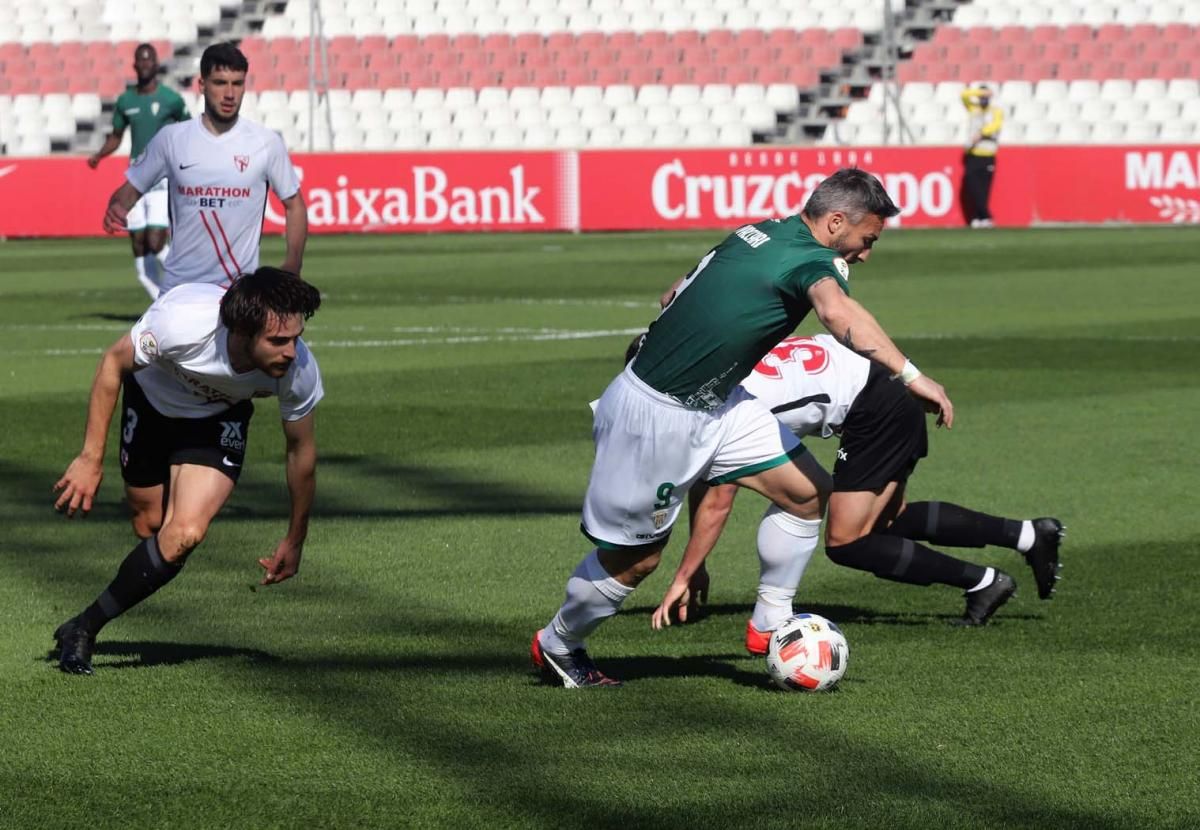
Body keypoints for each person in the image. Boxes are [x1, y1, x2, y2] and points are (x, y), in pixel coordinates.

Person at [530, 168, 955, 688]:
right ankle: (558, 643)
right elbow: (839, 314)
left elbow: (671, 297)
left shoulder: (760, 232)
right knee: (639, 561)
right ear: (837, 222)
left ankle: (771, 625)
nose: (866, 253)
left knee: (807, 494)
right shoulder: (812, 260)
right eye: (867, 240)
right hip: (658, 415)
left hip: (719, 402)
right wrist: (911, 375)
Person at [648, 333, 1065, 646]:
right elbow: (714, 475)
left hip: (876, 406)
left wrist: (686, 572)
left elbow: (721, 494)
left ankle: (983, 580)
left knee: (847, 541)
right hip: (881, 384)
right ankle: (1028, 535)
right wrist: (696, 564)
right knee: (888, 520)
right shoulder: (721, 359)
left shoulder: (714, 402)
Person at [50, 267, 323, 675]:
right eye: (278, 341)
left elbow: (301, 453)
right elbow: (112, 364)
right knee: (150, 525)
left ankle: (83, 628)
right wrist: (90, 459)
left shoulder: (298, 370)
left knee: (183, 535)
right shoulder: (180, 323)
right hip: (150, 401)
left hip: (215, 423)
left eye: (295, 338)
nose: (291, 350)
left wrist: (296, 538)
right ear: (243, 332)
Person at [102, 42, 308, 293]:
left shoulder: (266, 143)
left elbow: (295, 205)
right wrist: (116, 206)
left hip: (239, 297)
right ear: (201, 86)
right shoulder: (171, 139)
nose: (230, 94)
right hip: (179, 293)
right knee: (132, 336)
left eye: (237, 83)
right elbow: (129, 191)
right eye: (220, 83)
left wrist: (293, 262)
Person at [88, 43, 190, 299]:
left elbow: (190, 132)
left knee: (156, 243)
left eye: (149, 60)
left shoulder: (171, 100)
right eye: (140, 60)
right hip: (135, 178)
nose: (145, 64)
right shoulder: (125, 101)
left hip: (161, 179)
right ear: (134, 65)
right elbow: (116, 136)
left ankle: (190, 282)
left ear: (156, 65)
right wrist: (99, 155)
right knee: (139, 246)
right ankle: (162, 305)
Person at [961, 83, 1003, 228]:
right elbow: (964, 95)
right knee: (972, 185)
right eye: (981, 96)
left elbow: (996, 125)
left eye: (986, 96)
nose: (983, 99)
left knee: (984, 189)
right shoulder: (974, 109)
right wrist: (981, 92)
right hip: (973, 154)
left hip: (988, 155)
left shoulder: (995, 111)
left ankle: (981, 218)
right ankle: (984, 216)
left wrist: (982, 132)